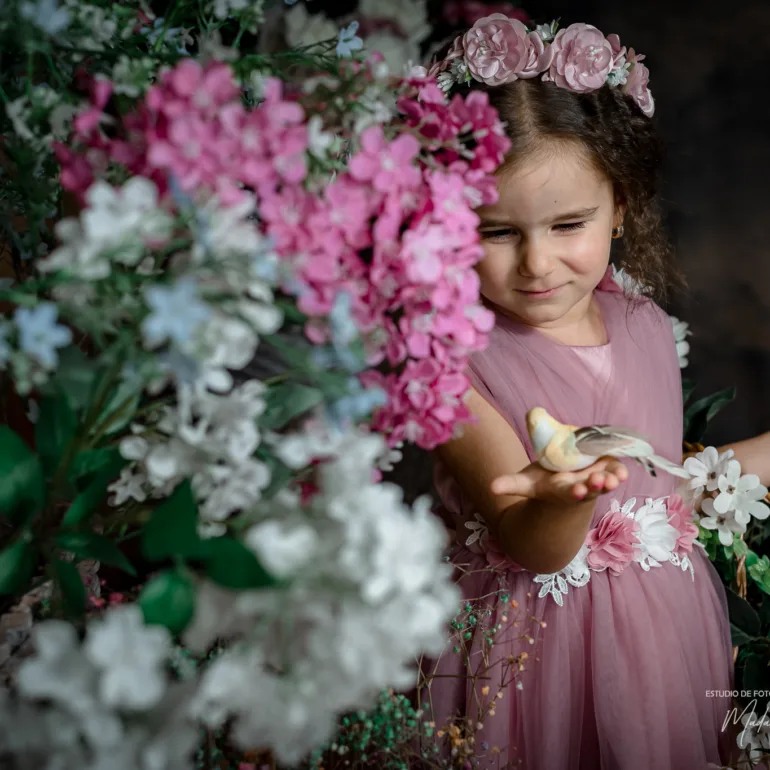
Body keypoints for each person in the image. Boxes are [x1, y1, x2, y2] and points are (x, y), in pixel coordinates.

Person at [419, 15, 770, 770]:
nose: (538, 263)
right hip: (532, 653)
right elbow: (530, 541)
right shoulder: (449, 359)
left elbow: (656, 489)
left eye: (568, 223)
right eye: (496, 231)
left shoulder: (639, 321)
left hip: (662, 643)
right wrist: (563, 500)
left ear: (621, 206)